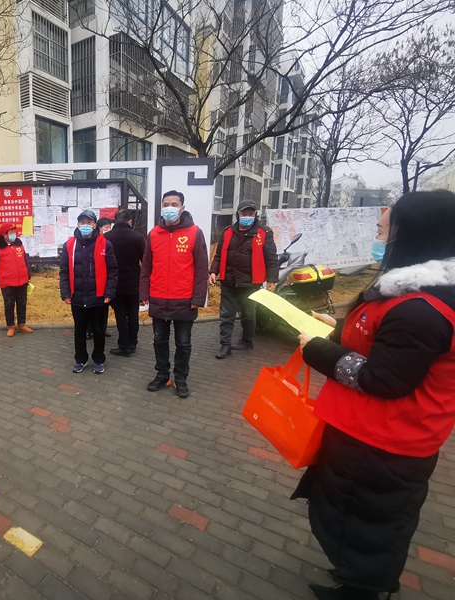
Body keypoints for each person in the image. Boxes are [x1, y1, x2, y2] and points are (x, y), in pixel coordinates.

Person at [295, 191, 455, 600]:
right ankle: (356, 579)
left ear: (413, 234)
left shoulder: (421, 309)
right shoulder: (408, 293)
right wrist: (338, 327)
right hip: (365, 435)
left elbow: (383, 379)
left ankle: (363, 590)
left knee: (369, 525)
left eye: (384, 230)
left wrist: (317, 349)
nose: (378, 237)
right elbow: (380, 344)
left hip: (384, 444)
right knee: (351, 516)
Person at [140, 190, 208, 398]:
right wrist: (143, 293)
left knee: (183, 343)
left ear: (182, 208)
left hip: (185, 300)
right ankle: (162, 375)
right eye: (166, 204)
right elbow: (146, 267)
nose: (169, 208)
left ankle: (181, 378)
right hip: (159, 298)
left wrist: (198, 298)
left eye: (174, 204)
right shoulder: (154, 234)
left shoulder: (195, 233)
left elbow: (201, 268)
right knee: (159, 340)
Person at [210, 199, 279, 359]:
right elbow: (219, 255)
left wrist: (272, 279)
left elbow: (271, 258)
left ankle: (247, 341)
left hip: (250, 283)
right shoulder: (228, 232)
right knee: (226, 315)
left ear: (255, 215)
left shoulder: (264, 232)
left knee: (248, 315)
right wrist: (213, 271)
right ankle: (225, 345)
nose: (247, 216)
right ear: (238, 214)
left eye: (250, 214)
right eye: (244, 213)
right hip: (228, 281)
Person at [59, 209, 119, 374]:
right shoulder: (70, 245)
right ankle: (80, 359)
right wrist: (65, 293)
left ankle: (99, 360)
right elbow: (64, 271)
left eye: (89, 222)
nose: (85, 225)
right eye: (82, 222)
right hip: (77, 296)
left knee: (99, 331)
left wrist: (109, 293)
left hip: (98, 297)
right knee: (79, 331)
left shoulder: (105, 244)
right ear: (78, 224)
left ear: (94, 225)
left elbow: (113, 271)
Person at [104, 209, 145, 357]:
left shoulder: (107, 238)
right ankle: (133, 343)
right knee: (133, 313)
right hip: (134, 282)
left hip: (115, 282)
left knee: (120, 314)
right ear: (130, 221)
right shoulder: (137, 237)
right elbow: (144, 260)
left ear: (115, 221)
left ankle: (124, 345)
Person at [0, 222, 33, 337]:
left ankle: (21, 325)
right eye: (11, 232)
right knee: (9, 305)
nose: (14, 233)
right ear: (4, 235)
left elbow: (25, 261)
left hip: (22, 280)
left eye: (14, 231)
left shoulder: (19, 245)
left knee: (22, 303)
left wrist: (28, 275)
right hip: (7, 282)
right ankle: (11, 326)